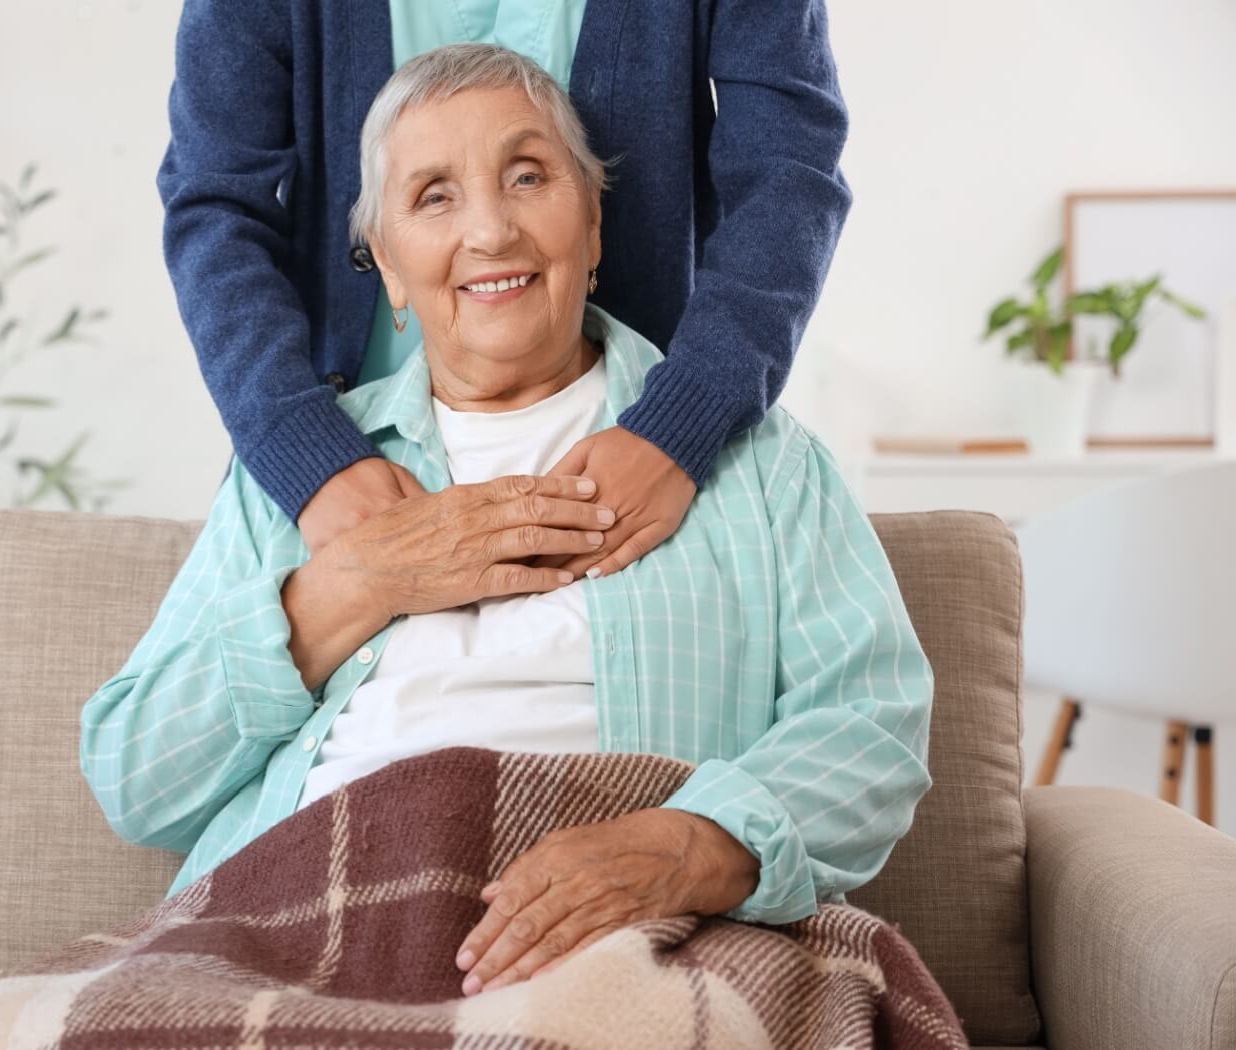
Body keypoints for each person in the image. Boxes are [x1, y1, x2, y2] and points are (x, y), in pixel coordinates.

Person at [84, 44, 931, 999]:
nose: (489, 230)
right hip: (315, 925)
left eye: (528, 177)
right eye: (434, 196)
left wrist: (686, 847)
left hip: (626, 945)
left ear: (595, 223)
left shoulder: (762, 463)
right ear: (389, 268)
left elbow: (872, 730)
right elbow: (137, 775)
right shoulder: (295, 480)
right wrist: (353, 584)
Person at [158, 0, 853, 581]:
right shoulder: (274, 501)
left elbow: (789, 172)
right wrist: (304, 452)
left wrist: (682, 426)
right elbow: (217, 203)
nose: (490, 233)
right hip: (354, 463)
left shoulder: (780, 479)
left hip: (637, 446)